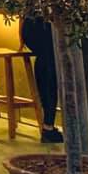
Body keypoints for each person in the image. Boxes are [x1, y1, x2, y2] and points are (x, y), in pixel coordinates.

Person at [21, 13, 63, 143]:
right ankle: (48, 126)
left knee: (46, 62)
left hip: (30, 27)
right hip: (41, 27)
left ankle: (48, 125)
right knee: (49, 65)